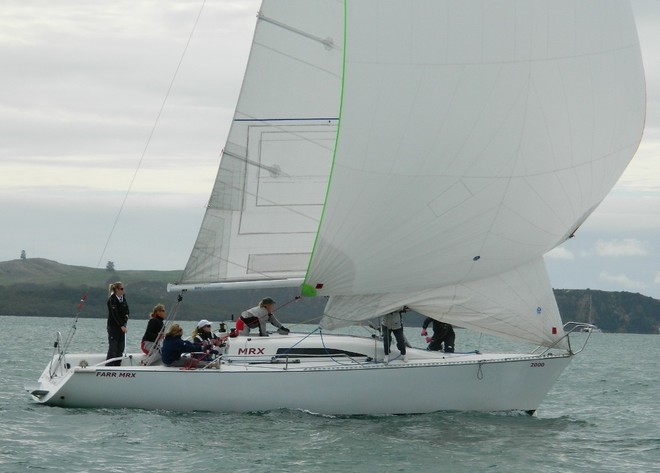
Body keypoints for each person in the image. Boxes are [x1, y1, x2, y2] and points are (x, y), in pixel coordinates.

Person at [106, 281, 129, 366]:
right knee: (113, 348)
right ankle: (109, 366)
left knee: (120, 348)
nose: (123, 291)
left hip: (122, 327)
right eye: (121, 289)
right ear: (116, 289)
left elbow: (127, 310)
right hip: (113, 327)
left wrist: (126, 319)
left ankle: (117, 365)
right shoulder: (112, 300)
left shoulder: (123, 299)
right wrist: (121, 325)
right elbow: (114, 314)